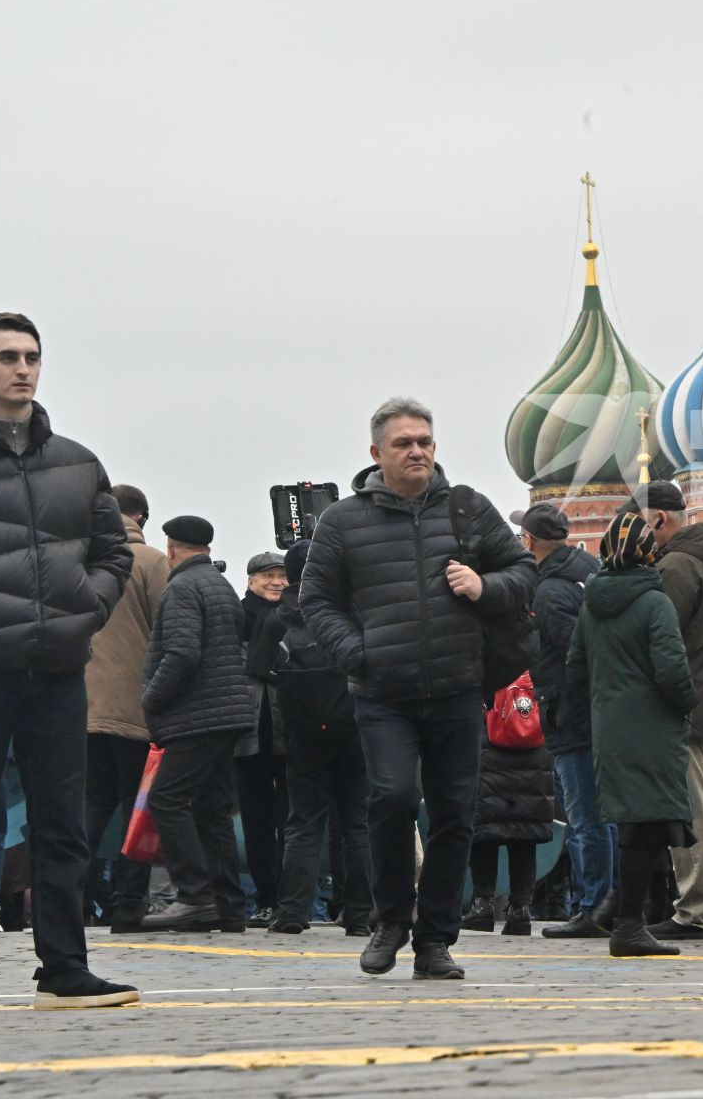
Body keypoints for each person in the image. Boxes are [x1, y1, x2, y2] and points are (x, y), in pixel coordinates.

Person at [0, 312, 138, 1011]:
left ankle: (64, 970)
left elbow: (113, 554)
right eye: (8, 357)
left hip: (57, 668)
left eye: (32, 357)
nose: (23, 369)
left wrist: (87, 607)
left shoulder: (79, 463)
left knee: (62, 824)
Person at [299, 397, 535, 979]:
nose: (417, 452)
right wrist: (359, 654)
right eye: (404, 443)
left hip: (458, 687)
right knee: (392, 799)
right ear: (376, 453)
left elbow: (524, 571)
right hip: (383, 693)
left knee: (455, 813)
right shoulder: (343, 521)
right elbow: (317, 601)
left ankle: (435, 940)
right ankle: (390, 920)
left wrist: (484, 586)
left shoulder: (467, 508)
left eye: (425, 442)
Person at [568, 511, 698, 957]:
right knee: (650, 824)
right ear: (648, 553)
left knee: (637, 823)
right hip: (653, 727)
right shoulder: (654, 602)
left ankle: (616, 910)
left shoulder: (591, 604)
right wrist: (687, 702)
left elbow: (575, 667)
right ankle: (627, 925)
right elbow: (672, 670)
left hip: (610, 727)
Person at [140, 516, 257, 934]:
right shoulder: (219, 585)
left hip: (197, 716)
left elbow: (182, 653)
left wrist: (150, 697)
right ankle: (228, 905)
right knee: (212, 810)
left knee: (166, 799)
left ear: (171, 548)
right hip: (226, 714)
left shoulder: (182, 587)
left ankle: (194, 895)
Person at [638, 480, 703, 943]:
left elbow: (659, 637)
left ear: (658, 519)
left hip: (679, 705)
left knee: (689, 808)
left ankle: (695, 910)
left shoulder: (674, 566)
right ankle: (701, 906)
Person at [250, 540, 371, 937]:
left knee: (302, 822)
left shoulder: (277, 618)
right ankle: (359, 914)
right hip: (353, 724)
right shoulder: (349, 609)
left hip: (302, 732)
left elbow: (259, 669)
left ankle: (291, 911)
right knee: (356, 822)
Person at [513, 503, 612, 941]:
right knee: (605, 816)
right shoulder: (591, 570)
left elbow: (576, 654)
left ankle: (594, 907)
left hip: (574, 715)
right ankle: (607, 903)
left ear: (530, 540)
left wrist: (555, 699)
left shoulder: (550, 591)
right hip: (603, 712)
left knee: (584, 819)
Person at [82, 482, 169, 933]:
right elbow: (167, 630)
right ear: (142, 517)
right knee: (138, 809)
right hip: (137, 708)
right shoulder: (151, 561)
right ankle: (128, 904)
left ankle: (70, 900)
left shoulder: (80, 559)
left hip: (84, 707)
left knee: (91, 805)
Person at [465, 671, 557, 938]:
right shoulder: (535, 664)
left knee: (484, 831)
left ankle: (482, 905)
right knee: (525, 833)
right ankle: (520, 910)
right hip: (533, 747)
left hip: (489, 744)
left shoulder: (489, 663)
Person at [234, 550, 291, 925]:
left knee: (291, 820)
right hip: (248, 732)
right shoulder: (236, 617)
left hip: (290, 731)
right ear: (251, 580)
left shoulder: (298, 615)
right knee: (255, 821)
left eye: (281, 576)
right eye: (267, 575)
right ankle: (266, 898)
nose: (275, 582)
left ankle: (290, 898)